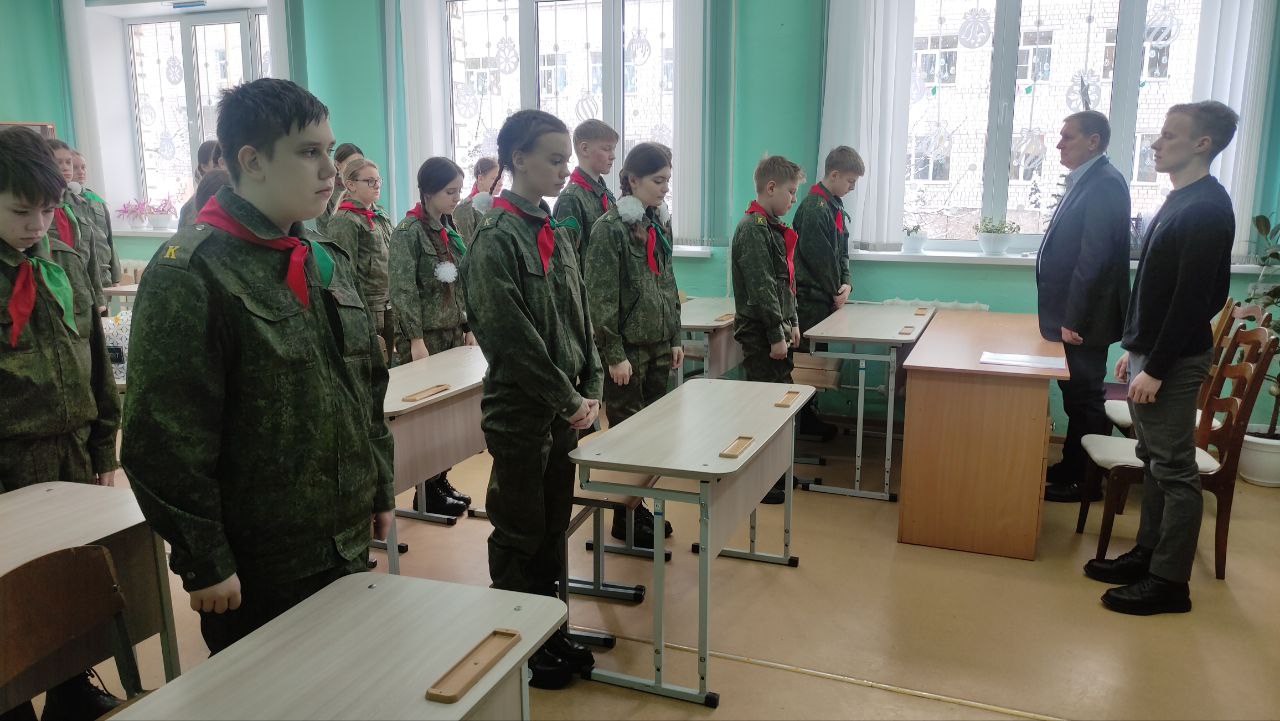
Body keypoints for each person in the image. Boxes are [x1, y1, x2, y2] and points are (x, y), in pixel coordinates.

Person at [120, 78, 395, 654]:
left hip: (343, 538)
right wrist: (204, 559)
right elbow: (162, 437)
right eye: (308, 152)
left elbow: (364, 386)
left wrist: (378, 488)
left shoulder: (321, 257)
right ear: (252, 161)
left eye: (329, 150)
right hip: (261, 564)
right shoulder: (190, 272)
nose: (330, 170)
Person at [461, 109, 602, 690]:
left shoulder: (553, 231)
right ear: (518, 159)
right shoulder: (495, 239)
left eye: (567, 159)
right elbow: (511, 340)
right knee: (520, 533)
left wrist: (591, 386)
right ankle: (518, 642)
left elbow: (580, 318)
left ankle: (549, 629)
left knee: (551, 529)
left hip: (563, 409)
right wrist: (568, 397)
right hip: (522, 414)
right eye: (554, 159)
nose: (565, 170)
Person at [1083, 100, 1239, 616]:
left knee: (1174, 470)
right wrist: (1136, 349)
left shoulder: (1206, 209)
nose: (1156, 143)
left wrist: (1156, 366)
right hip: (1152, 354)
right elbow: (1156, 288)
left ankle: (1170, 582)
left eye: (1170, 135)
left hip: (1171, 361)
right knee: (1152, 461)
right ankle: (1148, 554)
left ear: (1202, 144)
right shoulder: (1181, 199)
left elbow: (1195, 302)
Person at [0, 126, 123, 721]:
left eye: (47, 211)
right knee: (13, 592)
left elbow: (98, 366)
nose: (37, 225)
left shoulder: (66, 263)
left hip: (71, 454)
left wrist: (103, 451)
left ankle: (71, 687)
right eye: (21, 212)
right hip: (8, 464)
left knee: (72, 578)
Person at [583, 142, 680, 548]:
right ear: (633, 180)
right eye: (658, 181)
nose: (664, 189)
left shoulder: (658, 222)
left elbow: (667, 281)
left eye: (668, 181)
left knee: (655, 434)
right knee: (628, 435)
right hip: (628, 352)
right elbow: (600, 298)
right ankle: (624, 516)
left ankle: (641, 505)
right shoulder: (610, 229)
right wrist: (614, 354)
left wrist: (675, 336)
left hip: (658, 344)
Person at [1036, 111, 1132, 503]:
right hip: (1074, 316)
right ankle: (1071, 465)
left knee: (1086, 397)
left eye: (1068, 137)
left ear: (1093, 141)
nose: (1059, 144)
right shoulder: (1086, 180)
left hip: (1085, 318)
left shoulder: (1105, 183)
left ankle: (1086, 481)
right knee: (1075, 395)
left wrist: (1072, 317)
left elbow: (1094, 258)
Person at [389, 156, 477, 516]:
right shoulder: (408, 232)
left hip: (453, 332)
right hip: (425, 338)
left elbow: (462, 281)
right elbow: (403, 289)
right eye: (450, 192)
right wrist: (415, 339)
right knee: (427, 418)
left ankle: (440, 481)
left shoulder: (449, 228)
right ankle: (425, 490)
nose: (457, 198)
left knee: (448, 417)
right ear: (428, 191)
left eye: (458, 191)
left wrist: (468, 326)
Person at [732, 154, 804, 504]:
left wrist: (793, 322)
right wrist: (776, 334)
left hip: (777, 329)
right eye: (791, 192)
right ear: (771, 187)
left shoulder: (772, 227)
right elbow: (761, 288)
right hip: (761, 333)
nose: (793, 199)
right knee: (763, 408)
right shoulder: (753, 229)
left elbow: (784, 283)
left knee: (779, 404)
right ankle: (761, 478)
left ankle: (776, 469)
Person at [792, 145, 864, 442]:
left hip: (826, 296)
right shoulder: (814, 208)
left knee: (817, 358)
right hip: (809, 301)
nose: (852, 187)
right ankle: (800, 422)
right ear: (834, 175)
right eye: (850, 181)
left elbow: (841, 252)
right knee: (807, 363)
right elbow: (819, 259)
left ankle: (809, 417)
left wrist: (847, 284)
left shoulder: (834, 206)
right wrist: (836, 290)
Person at [327, 158, 395, 360]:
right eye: (370, 181)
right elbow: (344, 275)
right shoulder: (344, 220)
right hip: (368, 308)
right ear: (351, 185)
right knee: (372, 368)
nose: (377, 185)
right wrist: (357, 314)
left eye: (378, 180)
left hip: (389, 304)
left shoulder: (380, 215)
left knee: (392, 368)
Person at [45, 139, 105, 313]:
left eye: (68, 162)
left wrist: (99, 298)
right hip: (53, 292)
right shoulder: (39, 207)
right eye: (58, 162)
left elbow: (91, 256)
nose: (65, 168)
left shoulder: (80, 203)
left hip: (82, 292)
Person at [553, 119, 618, 264]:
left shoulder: (605, 194)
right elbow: (566, 256)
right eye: (607, 149)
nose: (613, 155)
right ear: (585, 149)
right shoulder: (571, 198)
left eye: (613, 149)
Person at [70, 150, 122, 298]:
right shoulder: (62, 200)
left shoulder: (95, 199)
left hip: (103, 274)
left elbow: (109, 238)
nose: (81, 172)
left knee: (105, 312)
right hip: (81, 275)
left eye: (83, 167)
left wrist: (115, 277)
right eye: (75, 167)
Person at [316, 142, 364, 235]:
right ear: (338, 164)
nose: (357, 169)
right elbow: (323, 229)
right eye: (351, 164)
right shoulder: (326, 190)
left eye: (360, 164)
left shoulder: (365, 186)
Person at [454, 156, 502, 243]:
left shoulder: (497, 206)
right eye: (494, 178)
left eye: (501, 179)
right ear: (480, 179)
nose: (500, 183)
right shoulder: (465, 209)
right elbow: (466, 246)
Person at [179, 140, 224, 227]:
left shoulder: (230, 195)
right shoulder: (189, 208)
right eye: (216, 160)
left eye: (224, 159)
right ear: (204, 166)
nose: (222, 164)